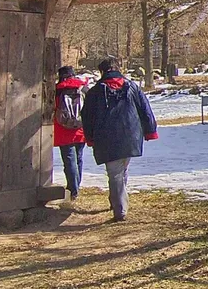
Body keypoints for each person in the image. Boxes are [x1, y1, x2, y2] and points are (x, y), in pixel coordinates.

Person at [81, 56, 158, 222]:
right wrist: (150, 130)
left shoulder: (95, 92)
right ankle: (116, 202)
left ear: (102, 71)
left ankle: (120, 210)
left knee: (115, 174)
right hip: (130, 135)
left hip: (106, 138)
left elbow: (86, 117)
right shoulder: (132, 87)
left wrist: (89, 137)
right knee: (121, 170)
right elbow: (145, 109)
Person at [52, 65, 88, 201]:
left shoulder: (56, 91)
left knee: (69, 161)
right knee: (78, 158)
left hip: (63, 130)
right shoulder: (83, 88)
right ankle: (76, 187)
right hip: (80, 128)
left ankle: (73, 190)